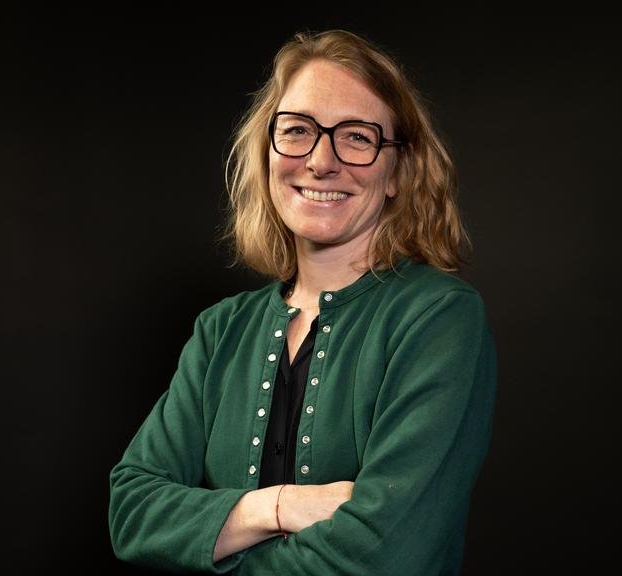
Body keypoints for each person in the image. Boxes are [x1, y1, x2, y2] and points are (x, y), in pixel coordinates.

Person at [109, 29, 496, 575]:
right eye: (297, 130)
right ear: (268, 152)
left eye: (357, 137)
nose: (320, 161)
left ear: (398, 172)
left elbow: (384, 557)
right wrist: (278, 506)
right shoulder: (221, 330)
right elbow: (132, 513)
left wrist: (211, 542)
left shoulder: (439, 319)